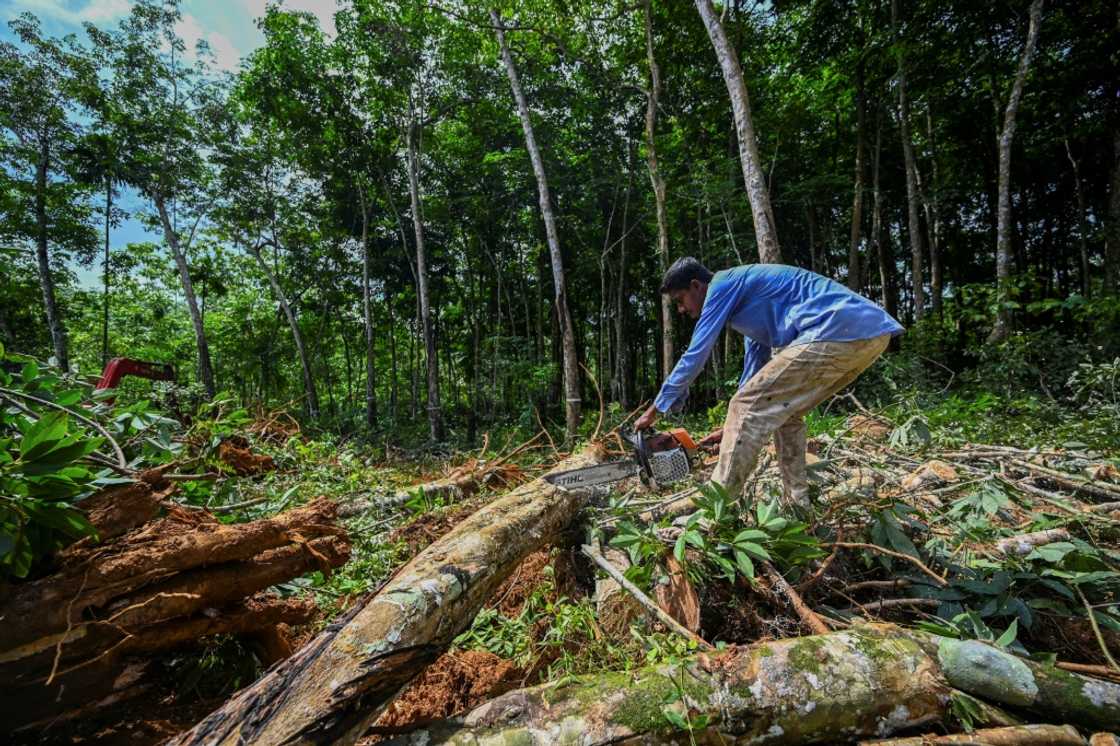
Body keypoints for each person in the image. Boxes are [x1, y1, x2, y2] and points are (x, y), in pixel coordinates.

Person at [634, 258, 904, 512]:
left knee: (746, 405)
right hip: (868, 334)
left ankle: (716, 510)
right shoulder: (749, 301)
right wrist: (731, 426)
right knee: (784, 412)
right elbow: (755, 366)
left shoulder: (722, 286)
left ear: (696, 285)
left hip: (836, 328)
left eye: (680, 300)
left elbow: (696, 354)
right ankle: (797, 507)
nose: (682, 309)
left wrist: (656, 409)